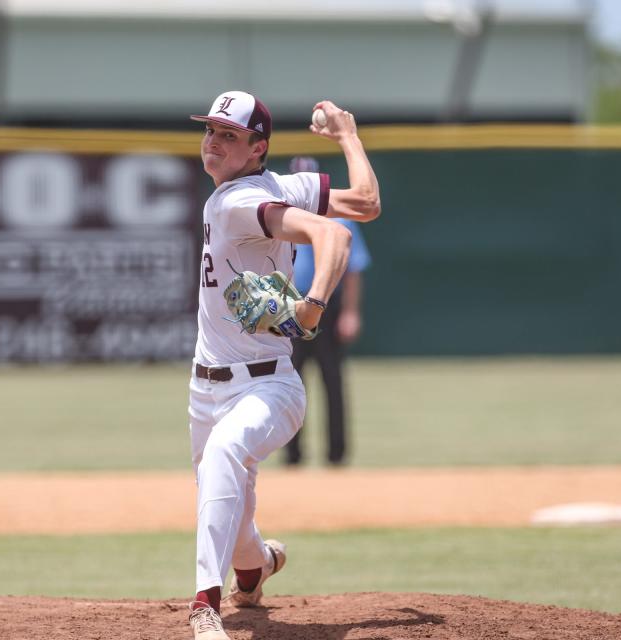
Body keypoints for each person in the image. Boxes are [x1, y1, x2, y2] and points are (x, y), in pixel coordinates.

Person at [185, 90, 381, 640]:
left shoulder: (235, 203)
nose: (214, 142)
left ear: (257, 148)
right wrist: (347, 135)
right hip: (205, 386)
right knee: (230, 508)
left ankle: (204, 605)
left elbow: (336, 233)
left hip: (267, 386)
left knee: (226, 456)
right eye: (211, 131)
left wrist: (311, 307)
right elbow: (365, 202)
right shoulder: (278, 186)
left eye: (229, 134)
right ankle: (256, 569)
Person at [283, 157, 371, 467]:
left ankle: (337, 455)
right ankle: (292, 455)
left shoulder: (339, 218)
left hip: (328, 307)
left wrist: (350, 312)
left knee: (332, 379)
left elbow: (354, 268)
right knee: (288, 383)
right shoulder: (278, 216)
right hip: (288, 306)